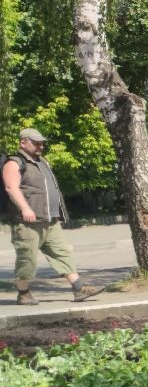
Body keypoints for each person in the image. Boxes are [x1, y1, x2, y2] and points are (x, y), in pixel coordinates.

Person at [3, 127, 102, 305]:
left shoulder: (42, 162)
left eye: (41, 143)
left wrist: (57, 213)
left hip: (49, 220)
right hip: (27, 223)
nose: (40, 146)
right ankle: (23, 293)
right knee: (28, 259)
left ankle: (79, 288)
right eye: (35, 142)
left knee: (63, 253)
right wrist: (25, 208)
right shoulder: (14, 162)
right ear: (23, 142)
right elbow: (11, 188)